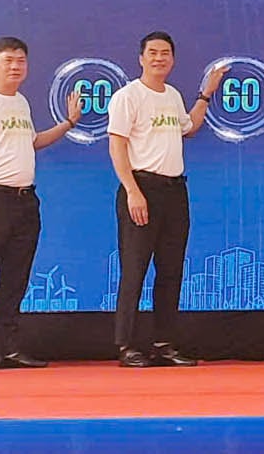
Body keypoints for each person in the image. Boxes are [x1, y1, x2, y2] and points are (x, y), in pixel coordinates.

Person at [0, 36, 81, 370]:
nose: (15, 66)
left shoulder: (21, 103)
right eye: (8, 60)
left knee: (15, 278)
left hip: (25, 200)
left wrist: (69, 123)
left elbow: (32, 142)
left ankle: (8, 348)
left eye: (21, 60)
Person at [104, 32, 227, 368]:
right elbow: (117, 146)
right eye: (153, 53)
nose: (159, 58)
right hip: (141, 188)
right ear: (141, 58)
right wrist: (132, 190)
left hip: (175, 191)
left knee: (171, 270)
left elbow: (189, 127)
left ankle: (164, 343)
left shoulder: (172, 96)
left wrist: (206, 94)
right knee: (134, 270)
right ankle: (126, 345)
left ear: (172, 59)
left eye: (165, 53)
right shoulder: (128, 96)